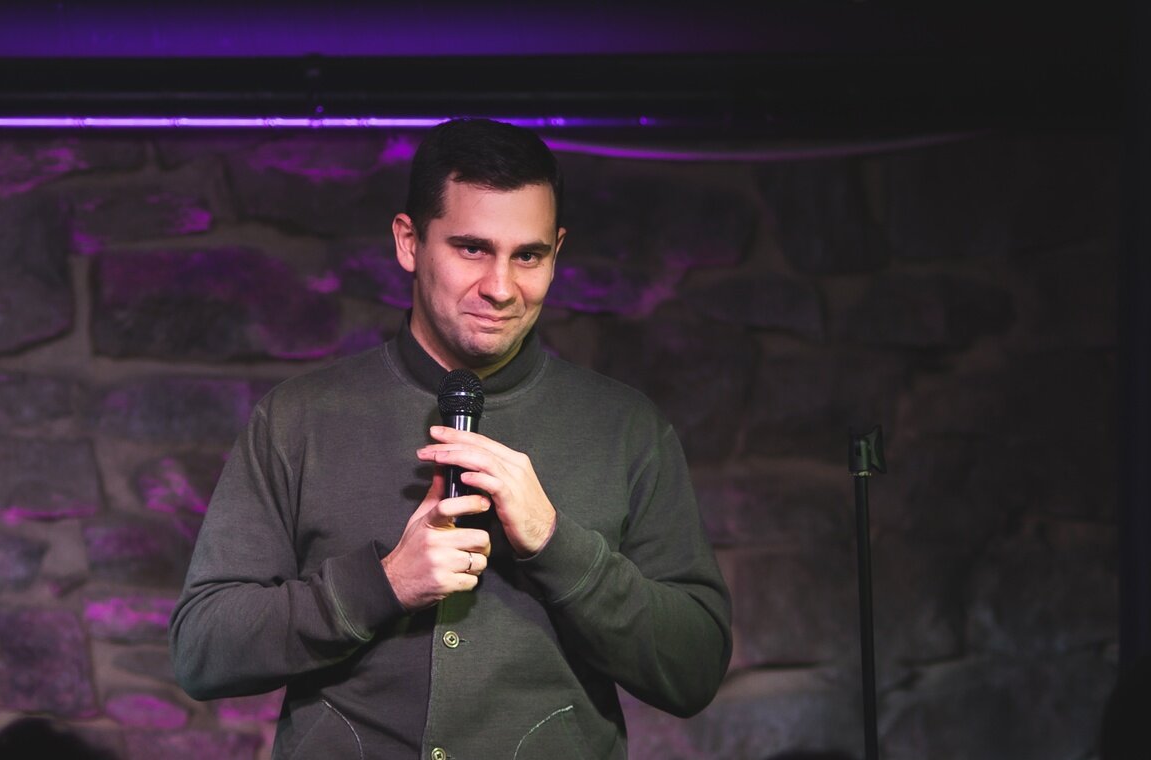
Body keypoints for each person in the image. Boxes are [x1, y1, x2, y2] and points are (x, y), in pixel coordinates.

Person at [170, 118, 732, 759]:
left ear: (557, 252)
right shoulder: (297, 419)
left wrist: (555, 543)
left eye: (528, 256)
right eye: (471, 249)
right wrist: (381, 584)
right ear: (409, 242)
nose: (501, 288)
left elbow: (694, 668)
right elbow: (202, 649)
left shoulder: (628, 429)